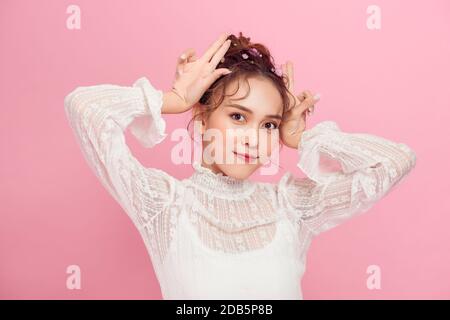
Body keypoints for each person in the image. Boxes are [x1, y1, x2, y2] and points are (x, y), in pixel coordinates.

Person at [64, 32, 417, 299]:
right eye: (237, 116)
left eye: (269, 125)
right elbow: (85, 108)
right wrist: (171, 100)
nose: (254, 139)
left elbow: (395, 162)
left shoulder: (292, 205)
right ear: (202, 116)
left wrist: (302, 138)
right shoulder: (162, 204)